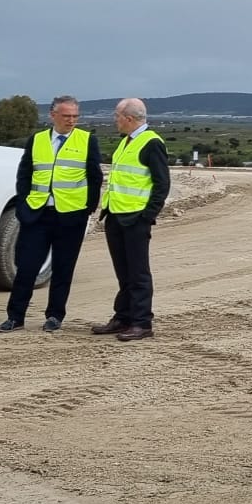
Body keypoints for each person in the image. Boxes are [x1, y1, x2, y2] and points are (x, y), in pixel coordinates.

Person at [0, 95, 102, 334]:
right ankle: (15, 317)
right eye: (66, 116)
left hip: (71, 215)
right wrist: (24, 205)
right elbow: (24, 175)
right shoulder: (37, 140)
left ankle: (54, 316)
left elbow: (94, 178)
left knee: (63, 268)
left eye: (75, 116)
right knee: (26, 267)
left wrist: (87, 208)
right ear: (53, 115)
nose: (71, 121)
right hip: (38, 214)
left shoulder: (87, 141)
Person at [92, 98, 168, 341]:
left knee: (138, 273)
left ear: (129, 118)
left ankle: (142, 322)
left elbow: (162, 184)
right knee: (123, 272)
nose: (114, 120)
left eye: (117, 116)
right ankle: (123, 317)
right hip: (116, 215)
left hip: (135, 218)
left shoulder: (151, 143)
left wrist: (147, 216)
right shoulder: (127, 141)